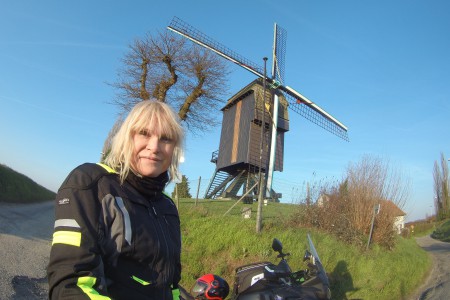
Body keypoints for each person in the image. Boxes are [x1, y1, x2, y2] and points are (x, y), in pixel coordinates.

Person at [47, 100, 184, 299]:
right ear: (127, 137)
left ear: (174, 148)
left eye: (166, 139)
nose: (154, 147)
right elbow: (70, 283)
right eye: (144, 133)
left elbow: (171, 283)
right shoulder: (91, 184)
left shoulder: (168, 206)